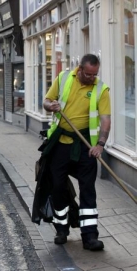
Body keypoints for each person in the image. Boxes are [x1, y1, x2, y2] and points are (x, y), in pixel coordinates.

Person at [43, 54, 111, 251]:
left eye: (95, 74)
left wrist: (100, 144)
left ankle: (89, 236)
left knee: (88, 189)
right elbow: (46, 101)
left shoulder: (101, 89)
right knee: (57, 186)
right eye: (88, 74)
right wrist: (51, 106)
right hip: (60, 144)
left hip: (86, 147)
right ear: (79, 69)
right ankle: (61, 229)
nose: (92, 78)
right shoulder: (63, 78)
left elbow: (105, 120)